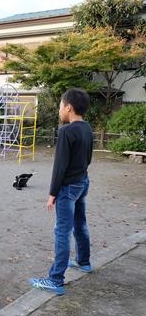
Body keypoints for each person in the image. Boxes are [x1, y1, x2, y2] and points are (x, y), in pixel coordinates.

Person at [30, 88, 93, 296]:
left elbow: (60, 166)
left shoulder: (66, 131)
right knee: (80, 223)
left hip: (68, 187)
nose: (59, 110)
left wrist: (52, 193)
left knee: (62, 231)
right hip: (82, 182)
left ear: (69, 107)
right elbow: (89, 158)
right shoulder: (87, 128)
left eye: (60, 106)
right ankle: (84, 261)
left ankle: (55, 279)